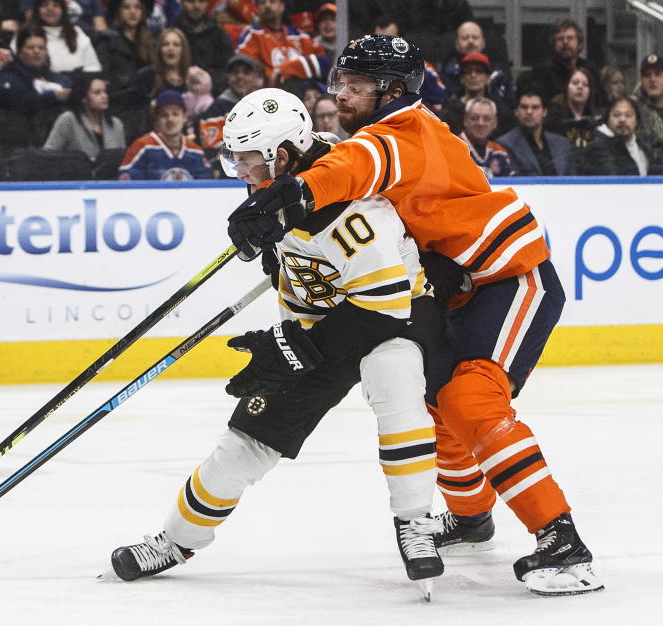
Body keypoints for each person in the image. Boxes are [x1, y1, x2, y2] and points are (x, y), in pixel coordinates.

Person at [223, 35, 604, 597]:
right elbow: (338, 157)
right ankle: (472, 516)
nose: (341, 96)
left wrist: (294, 193)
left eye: (354, 88)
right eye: (339, 85)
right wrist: (283, 189)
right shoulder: (373, 134)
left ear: (392, 91)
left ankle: (563, 542)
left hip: (509, 276)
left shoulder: (407, 133)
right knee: (434, 397)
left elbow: (360, 163)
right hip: (459, 287)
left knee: (469, 400)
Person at [109, 88, 445, 599]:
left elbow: (383, 309)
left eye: (245, 161)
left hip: (392, 315)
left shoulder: (356, 212)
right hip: (320, 324)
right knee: (246, 439)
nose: (239, 172)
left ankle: (416, 521)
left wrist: (289, 346)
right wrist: (274, 255)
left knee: (395, 389)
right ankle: (177, 540)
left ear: (280, 157)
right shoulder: (290, 178)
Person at [117, 89, 210, 180]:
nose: (170, 119)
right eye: (164, 115)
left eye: (175, 114)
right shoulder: (142, 146)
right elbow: (127, 181)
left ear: (185, 117)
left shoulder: (196, 152)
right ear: (157, 119)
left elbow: (207, 186)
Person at [516, 18, 604, 110]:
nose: (565, 42)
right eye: (560, 39)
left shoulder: (590, 69)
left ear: (579, 43)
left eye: (570, 38)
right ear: (553, 44)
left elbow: (601, 103)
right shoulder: (542, 72)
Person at [235, 0, 325, 81]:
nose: (267, 5)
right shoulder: (251, 35)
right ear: (257, 8)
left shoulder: (300, 37)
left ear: (282, 6)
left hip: (304, 92)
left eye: (272, 1)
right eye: (262, 2)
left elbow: (324, 62)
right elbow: (247, 69)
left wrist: (287, 69)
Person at [440, 21, 514, 115]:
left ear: (483, 43)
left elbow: (510, 108)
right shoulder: (445, 76)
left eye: (475, 37)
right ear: (457, 45)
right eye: (465, 38)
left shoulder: (499, 75)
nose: (470, 41)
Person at [43, 73, 125, 158]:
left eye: (105, 92)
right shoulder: (68, 120)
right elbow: (48, 154)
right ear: (84, 98)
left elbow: (123, 160)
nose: (104, 96)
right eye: (97, 93)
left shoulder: (116, 124)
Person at [0, 25, 71, 114]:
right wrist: (53, 97)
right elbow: (19, 103)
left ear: (46, 52)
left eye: (41, 48)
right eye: (30, 47)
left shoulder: (61, 79)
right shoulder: (8, 78)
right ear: (20, 52)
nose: (36, 51)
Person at [196, 53, 264, 150]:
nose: (240, 76)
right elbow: (211, 146)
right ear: (228, 77)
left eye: (246, 72)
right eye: (235, 72)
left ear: (255, 77)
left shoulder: (262, 104)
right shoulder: (217, 108)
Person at [496, 91, 572, 176]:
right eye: (524, 107)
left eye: (535, 107)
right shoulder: (504, 144)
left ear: (544, 112)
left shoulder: (562, 144)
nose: (529, 112)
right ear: (516, 112)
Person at [438, 52, 511, 136]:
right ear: (462, 78)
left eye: (479, 71)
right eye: (468, 72)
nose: (473, 75)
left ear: (488, 78)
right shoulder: (449, 110)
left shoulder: (500, 110)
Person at [579, 96, 651, 177]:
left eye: (628, 115)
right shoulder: (596, 149)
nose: (622, 119)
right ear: (607, 120)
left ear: (637, 121)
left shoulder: (646, 146)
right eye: (616, 115)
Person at [25, 0, 100, 73]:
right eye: (44, 5)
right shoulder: (27, 32)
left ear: (63, 10)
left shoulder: (76, 32)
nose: (50, 9)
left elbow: (93, 66)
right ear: (37, 10)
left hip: (78, 82)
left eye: (56, 5)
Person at [174, 0, 233, 93]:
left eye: (201, 1)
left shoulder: (219, 34)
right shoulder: (173, 33)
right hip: (180, 90)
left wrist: (208, 81)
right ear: (182, 3)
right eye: (191, 2)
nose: (197, 6)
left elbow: (229, 67)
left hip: (214, 89)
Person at [546, 66, 603, 148]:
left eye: (585, 84)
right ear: (567, 87)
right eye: (575, 83)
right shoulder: (554, 116)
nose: (580, 87)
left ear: (590, 91)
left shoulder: (595, 120)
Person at [459, 96, 513, 178]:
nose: (480, 123)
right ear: (465, 120)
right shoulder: (453, 147)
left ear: (495, 123)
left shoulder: (499, 152)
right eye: (474, 118)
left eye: (487, 119)